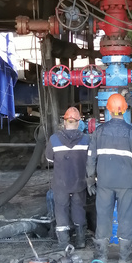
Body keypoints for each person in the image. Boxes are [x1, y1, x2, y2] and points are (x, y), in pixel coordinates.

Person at [86, 94, 132, 263]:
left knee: (104, 217)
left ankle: (102, 257)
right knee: (125, 218)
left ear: (107, 109)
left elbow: (91, 159)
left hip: (104, 183)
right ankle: (123, 257)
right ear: (125, 109)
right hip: (126, 183)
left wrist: (90, 180)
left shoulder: (99, 132)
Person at [45, 106, 90, 249]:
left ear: (65, 122)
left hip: (61, 183)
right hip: (79, 182)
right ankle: (81, 240)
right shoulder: (87, 139)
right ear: (78, 123)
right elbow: (91, 161)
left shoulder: (54, 139)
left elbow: (49, 160)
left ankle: (64, 243)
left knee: (61, 210)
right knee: (78, 208)